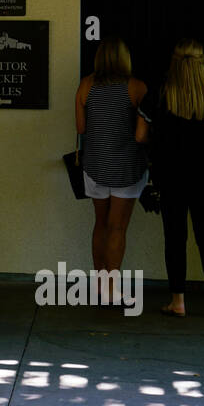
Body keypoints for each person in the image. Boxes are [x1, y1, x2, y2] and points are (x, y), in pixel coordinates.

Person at [136, 40, 204, 319]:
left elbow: (140, 136)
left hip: (169, 176)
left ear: (174, 63)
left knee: (175, 237)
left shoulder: (157, 96)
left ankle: (178, 302)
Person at [75, 37, 147, 300]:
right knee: (117, 228)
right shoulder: (136, 88)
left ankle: (98, 284)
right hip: (126, 167)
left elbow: (81, 128)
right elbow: (144, 131)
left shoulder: (86, 85)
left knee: (100, 225)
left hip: (94, 164)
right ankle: (111, 290)